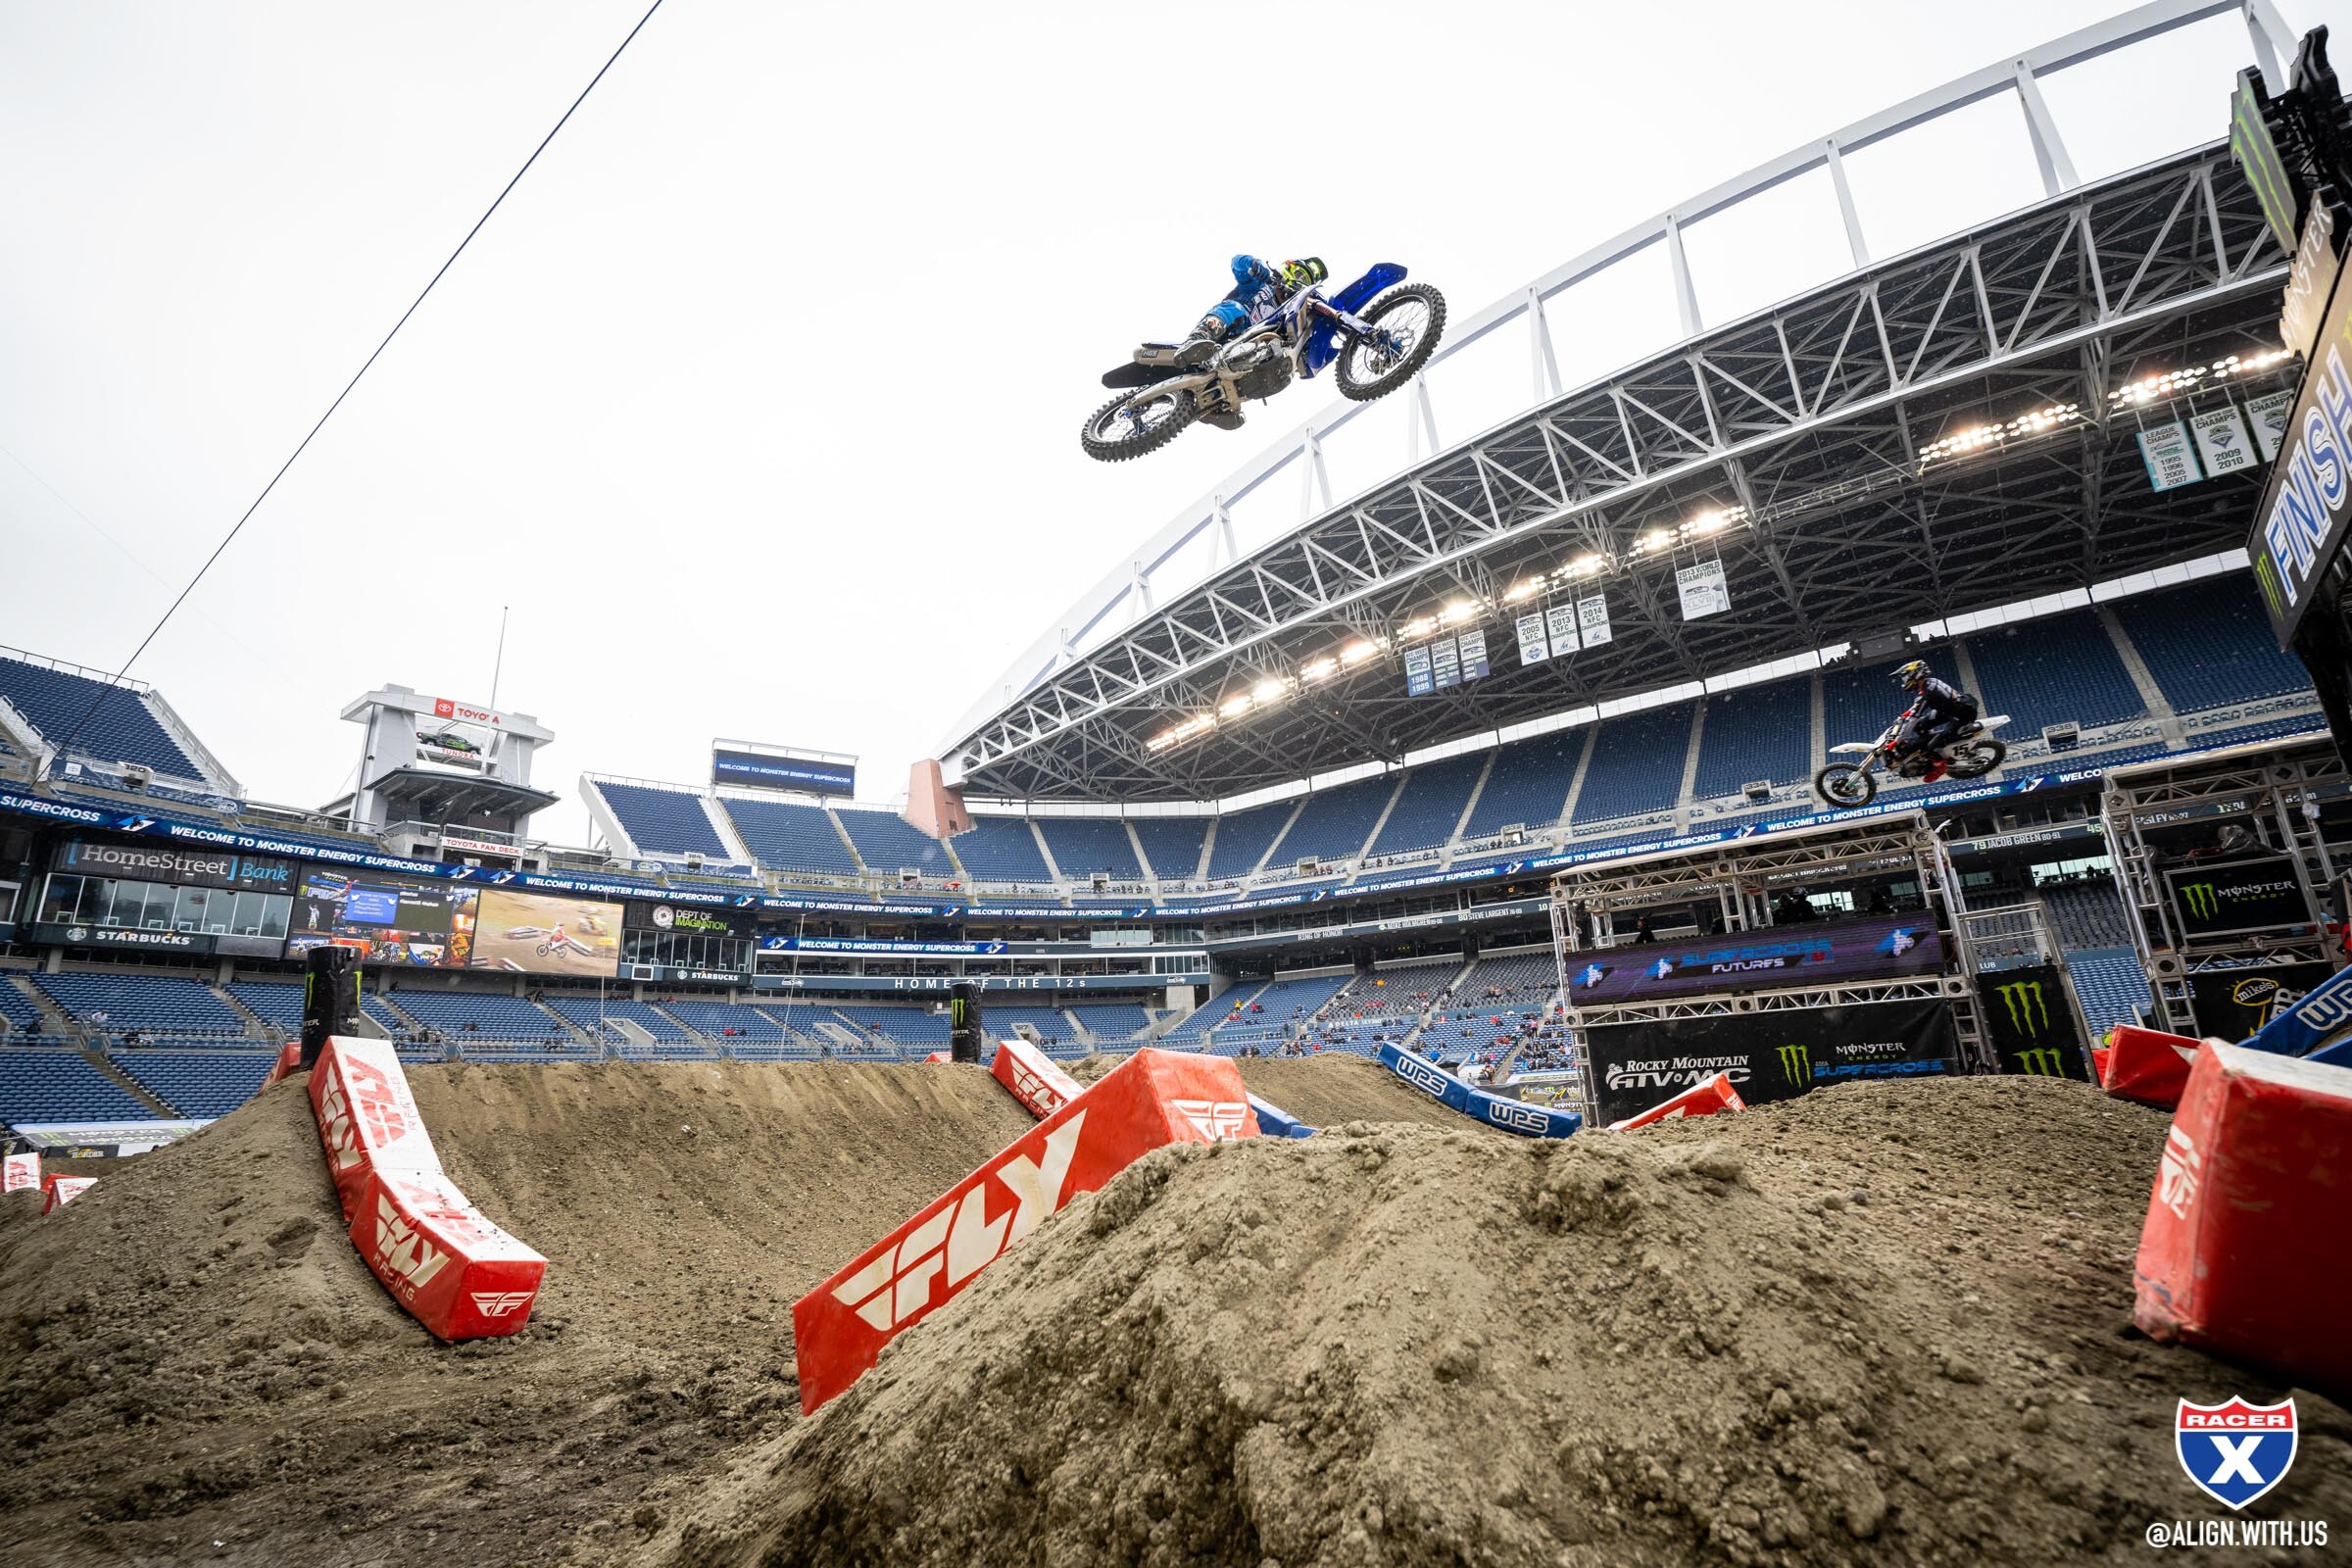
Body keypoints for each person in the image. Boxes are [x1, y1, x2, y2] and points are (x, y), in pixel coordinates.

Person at [1163, 256, 1329, 368]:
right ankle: (1196, 340)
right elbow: (1237, 263)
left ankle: (1224, 402)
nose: (1299, 282)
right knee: (1234, 308)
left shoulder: (1290, 316)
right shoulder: (1261, 284)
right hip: (1230, 328)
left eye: (1305, 282)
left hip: (1245, 350)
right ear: (1288, 269)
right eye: (1299, 275)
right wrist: (1253, 263)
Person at [1889, 659, 1977, 769]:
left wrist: (1898, 740)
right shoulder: (1929, 682)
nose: (1905, 681)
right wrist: (1905, 714)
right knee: (1919, 726)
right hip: (1949, 709)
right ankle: (1931, 742)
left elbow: (1913, 717)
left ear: (1916, 674)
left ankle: (1941, 766)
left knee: (1932, 747)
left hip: (1963, 714)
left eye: (1905, 677)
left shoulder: (1929, 692)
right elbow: (1917, 706)